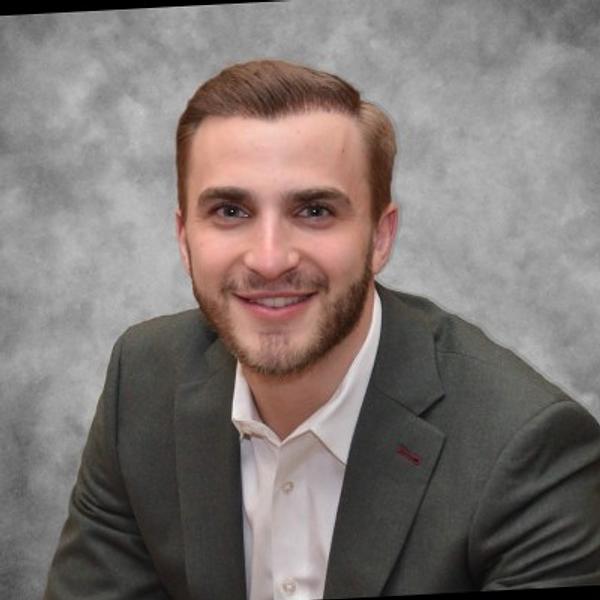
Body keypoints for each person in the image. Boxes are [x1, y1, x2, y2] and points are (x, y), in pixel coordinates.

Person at [45, 59, 600, 600]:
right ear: (184, 238)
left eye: (313, 211)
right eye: (231, 211)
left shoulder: (530, 452)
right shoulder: (142, 381)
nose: (269, 260)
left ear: (380, 238)